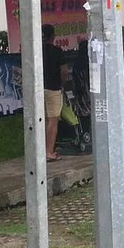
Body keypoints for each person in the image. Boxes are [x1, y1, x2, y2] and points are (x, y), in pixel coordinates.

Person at [42, 24, 68, 162]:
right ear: (53, 36)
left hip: (38, 89)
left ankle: (40, 150)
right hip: (53, 88)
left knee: (41, 120)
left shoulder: (36, 51)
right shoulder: (57, 51)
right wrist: (62, 84)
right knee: (53, 120)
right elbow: (64, 72)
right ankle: (49, 151)